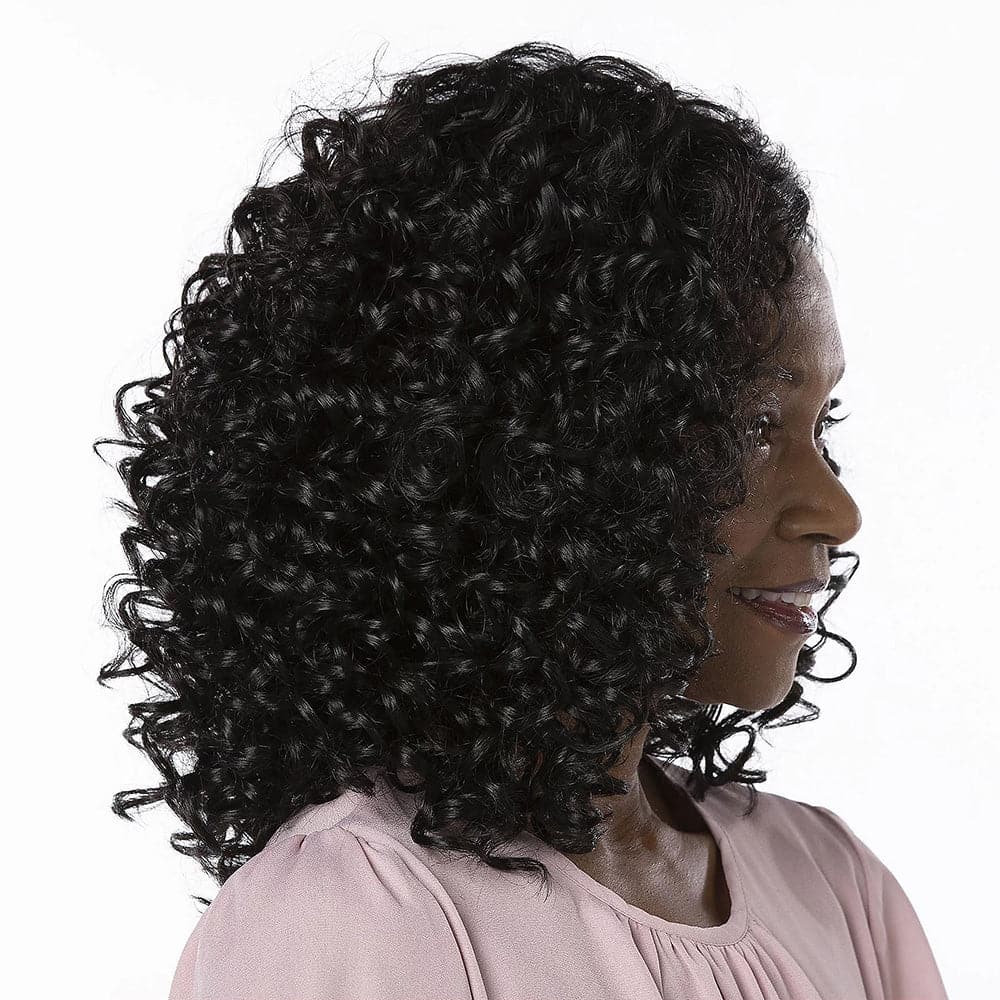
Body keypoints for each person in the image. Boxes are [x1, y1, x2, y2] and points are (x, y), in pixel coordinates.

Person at [96, 41, 950, 999]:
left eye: (819, 426)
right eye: (755, 427)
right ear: (536, 455)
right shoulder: (351, 919)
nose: (838, 510)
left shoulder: (835, 885)